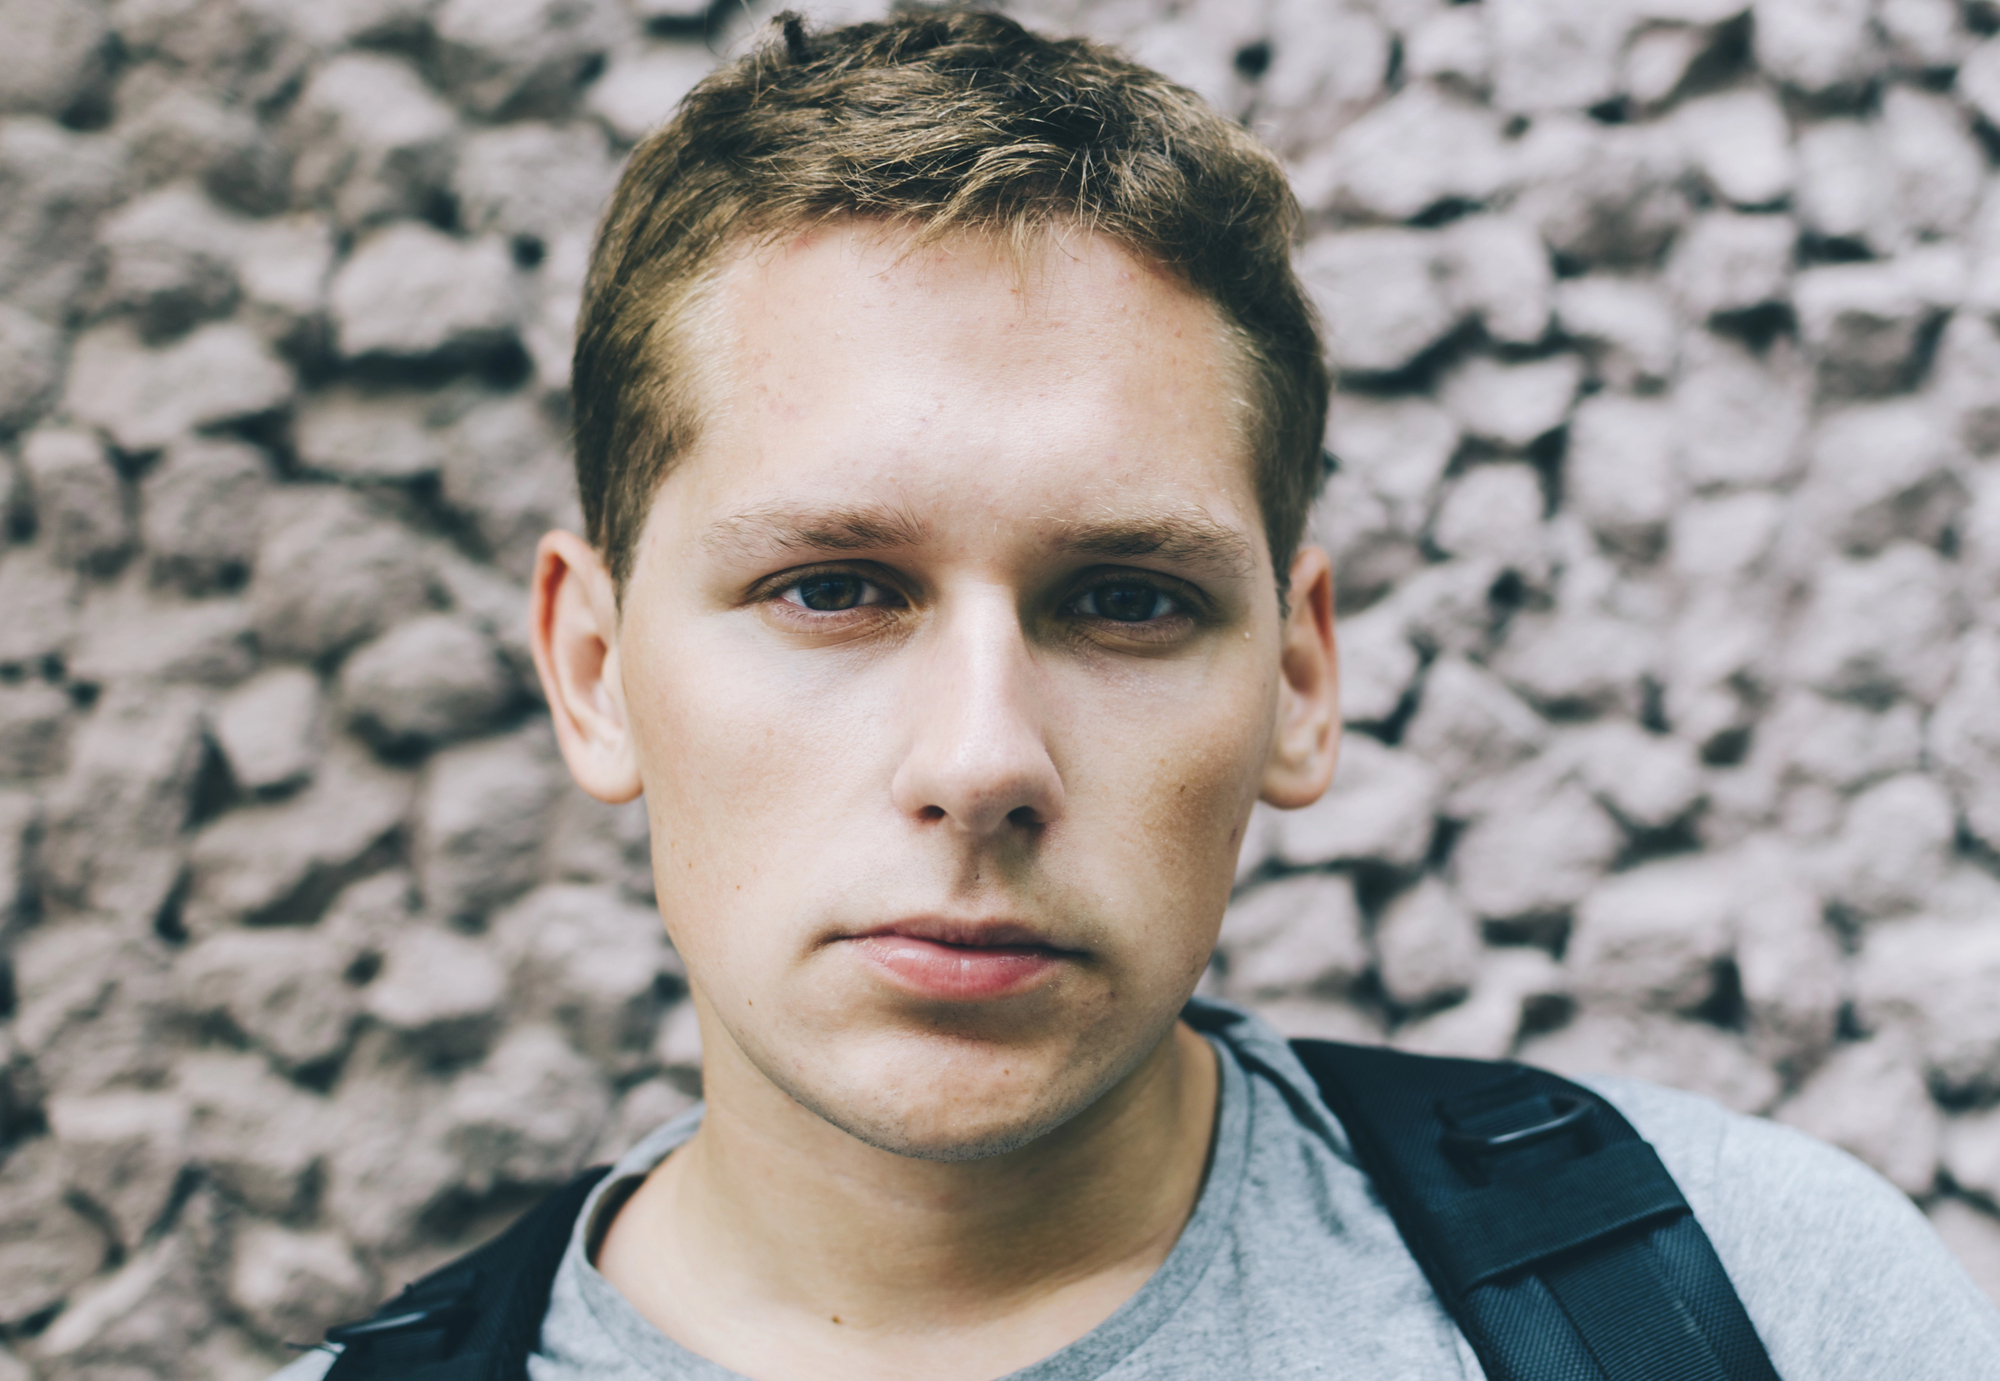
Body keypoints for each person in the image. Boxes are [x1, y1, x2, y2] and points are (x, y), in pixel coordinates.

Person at [278, 10, 2000, 1379]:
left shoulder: (1759, 1304)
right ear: (594, 669)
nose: (980, 760)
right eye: (832, 588)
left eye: (1124, 600)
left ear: (1299, 677)